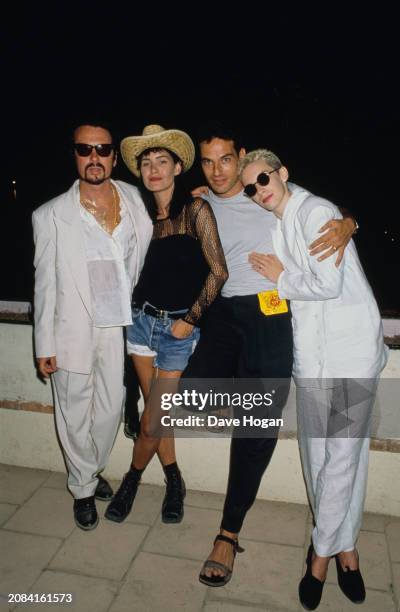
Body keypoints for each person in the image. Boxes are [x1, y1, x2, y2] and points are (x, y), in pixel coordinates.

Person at [180, 122, 358, 587]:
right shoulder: (200, 201)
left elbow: (322, 211)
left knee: (256, 428)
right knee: (186, 398)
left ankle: (227, 534)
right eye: (208, 161)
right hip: (222, 314)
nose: (218, 170)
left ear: (240, 156)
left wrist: (349, 221)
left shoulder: (263, 187)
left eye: (225, 159)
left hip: (270, 310)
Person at [239, 149, 388, 609]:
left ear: (282, 173)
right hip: (313, 357)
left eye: (263, 179)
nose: (258, 191)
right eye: (250, 187)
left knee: (342, 456)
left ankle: (321, 557)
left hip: (349, 355)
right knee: (320, 455)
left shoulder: (316, 211)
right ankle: (346, 544)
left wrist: (283, 278)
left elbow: (327, 285)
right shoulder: (280, 219)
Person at [104, 125, 228, 524]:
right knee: (159, 418)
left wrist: (190, 320)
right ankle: (174, 479)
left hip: (178, 333)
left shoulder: (196, 211)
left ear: (177, 167)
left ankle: (132, 479)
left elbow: (219, 272)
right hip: (140, 326)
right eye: (146, 163)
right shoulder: (140, 219)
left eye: (162, 161)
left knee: (152, 419)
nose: (154, 169)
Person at [32, 122, 152, 530]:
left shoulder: (134, 198)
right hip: (71, 326)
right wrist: (43, 342)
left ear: (114, 157)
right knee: (73, 410)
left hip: (119, 325)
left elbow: (162, 231)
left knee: (111, 409)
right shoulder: (50, 215)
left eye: (102, 149)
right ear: (75, 155)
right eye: (85, 150)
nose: (94, 157)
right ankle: (82, 489)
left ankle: (90, 468)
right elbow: (44, 283)